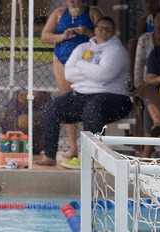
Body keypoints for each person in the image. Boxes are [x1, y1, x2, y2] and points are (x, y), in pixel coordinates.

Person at [37, 17, 131, 168]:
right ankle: (49, 156)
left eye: (108, 29)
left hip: (114, 98)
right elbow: (68, 73)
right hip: (82, 96)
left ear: (114, 32)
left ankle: (93, 159)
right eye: (101, 28)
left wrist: (81, 64)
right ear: (95, 29)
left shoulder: (117, 51)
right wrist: (94, 70)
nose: (104, 32)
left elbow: (104, 75)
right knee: (51, 108)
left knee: (92, 108)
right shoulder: (83, 48)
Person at [41, 0, 103, 162]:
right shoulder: (59, 13)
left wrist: (87, 32)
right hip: (62, 62)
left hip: (87, 63)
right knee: (67, 102)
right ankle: (73, 148)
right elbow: (45, 36)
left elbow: (104, 36)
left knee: (90, 102)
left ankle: (94, 149)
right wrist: (63, 36)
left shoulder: (92, 12)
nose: (73, 1)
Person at [132, 7, 160, 157]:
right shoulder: (153, 49)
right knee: (146, 92)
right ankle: (156, 126)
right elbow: (140, 69)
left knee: (149, 104)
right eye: (158, 20)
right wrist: (140, 87)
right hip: (150, 87)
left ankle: (147, 153)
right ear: (153, 21)